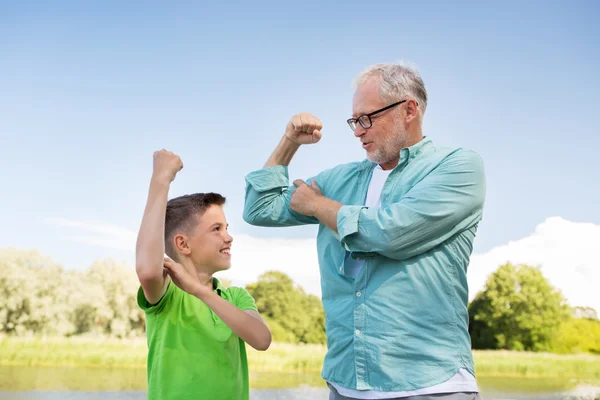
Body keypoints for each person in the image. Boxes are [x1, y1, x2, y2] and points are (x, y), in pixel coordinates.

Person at [243, 62, 485, 400]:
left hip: (431, 386)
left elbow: (391, 233)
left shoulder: (456, 167)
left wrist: (317, 206)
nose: (358, 131)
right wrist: (288, 144)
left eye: (367, 118)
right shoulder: (340, 180)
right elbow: (259, 209)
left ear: (409, 110)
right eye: (354, 121)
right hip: (345, 384)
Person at [136, 149, 272, 400]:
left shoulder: (235, 296)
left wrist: (199, 290)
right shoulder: (167, 295)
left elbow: (261, 339)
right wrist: (161, 179)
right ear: (183, 244)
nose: (228, 237)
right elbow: (147, 270)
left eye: (227, 228)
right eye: (216, 229)